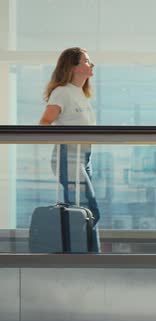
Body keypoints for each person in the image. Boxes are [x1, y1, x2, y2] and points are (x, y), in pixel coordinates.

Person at [38, 47, 100, 252]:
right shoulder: (62, 92)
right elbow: (45, 122)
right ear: (73, 67)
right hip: (69, 157)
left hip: (84, 158)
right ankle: (81, 256)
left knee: (82, 211)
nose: (91, 64)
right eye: (86, 61)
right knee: (88, 210)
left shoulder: (80, 94)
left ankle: (87, 255)